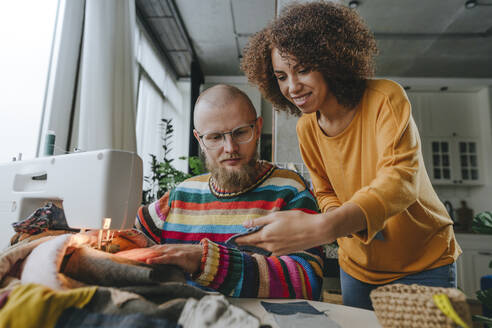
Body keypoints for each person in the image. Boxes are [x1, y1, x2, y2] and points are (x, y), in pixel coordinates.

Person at [238, 1, 461, 309]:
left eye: (303, 69)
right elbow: (325, 190)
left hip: (424, 261)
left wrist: (324, 227)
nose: (292, 86)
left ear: (331, 61)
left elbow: (400, 180)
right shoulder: (307, 128)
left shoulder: (386, 98)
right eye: (281, 76)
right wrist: (339, 220)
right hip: (358, 269)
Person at [121, 84, 325, 300]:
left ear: (257, 128)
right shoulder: (179, 195)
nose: (230, 148)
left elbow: (306, 281)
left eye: (240, 133)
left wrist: (206, 261)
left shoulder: (290, 190)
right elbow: (130, 235)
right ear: (200, 140)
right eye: (215, 137)